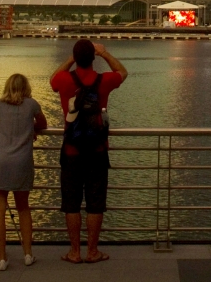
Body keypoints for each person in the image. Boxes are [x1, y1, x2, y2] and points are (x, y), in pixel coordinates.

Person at [50, 39, 127, 264]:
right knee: (95, 203)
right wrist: (105, 53)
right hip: (97, 150)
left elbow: (52, 79)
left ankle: (74, 252)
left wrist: (71, 59)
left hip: (72, 151)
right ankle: (92, 251)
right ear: (93, 58)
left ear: (75, 57)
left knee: (71, 203)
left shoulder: (64, 80)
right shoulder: (103, 81)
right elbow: (122, 72)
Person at [0, 74, 48, 271]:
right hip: (21, 162)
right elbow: (42, 124)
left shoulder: (0, 105)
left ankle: (2, 258)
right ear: (27, 87)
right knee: (23, 208)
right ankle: (27, 254)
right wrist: (31, 130)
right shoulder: (32, 104)